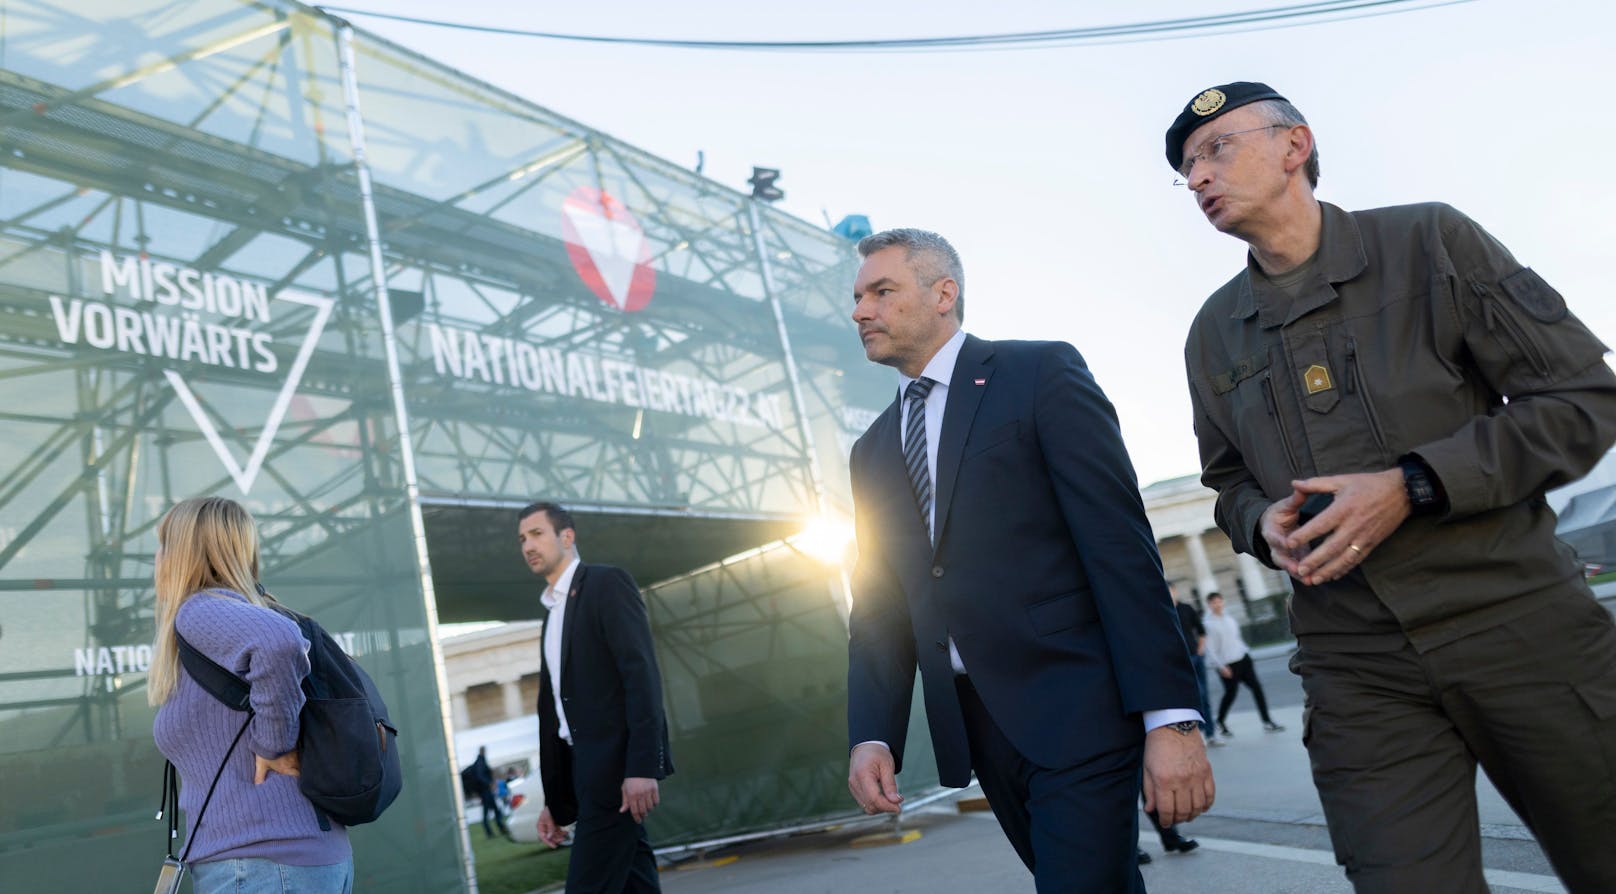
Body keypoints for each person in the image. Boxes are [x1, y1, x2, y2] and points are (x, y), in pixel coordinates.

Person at [1172, 81, 1616, 892]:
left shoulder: (1431, 242)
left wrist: (1415, 484)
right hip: (1356, 665)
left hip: (1518, 622)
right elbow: (1227, 481)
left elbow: (1582, 400)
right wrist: (1258, 519)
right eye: (1185, 169)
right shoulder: (1213, 330)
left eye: (1216, 150)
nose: (1197, 177)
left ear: (1294, 146)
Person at [844, 228, 1213, 892]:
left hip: (1078, 705)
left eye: (881, 291)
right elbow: (878, 608)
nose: (860, 310)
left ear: (943, 294)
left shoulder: (1038, 374)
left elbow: (1119, 548)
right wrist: (873, 735)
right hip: (977, 727)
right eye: (857, 297)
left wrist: (1171, 718)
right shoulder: (871, 450)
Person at [148, 496, 352, 893]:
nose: (156, 559)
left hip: (260, 864)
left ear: (184, 554)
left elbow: (279, 643)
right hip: (285, 859)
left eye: (163, 545)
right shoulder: (236, 614)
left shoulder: (200, 609)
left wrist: (273, 744)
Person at [522, 501, 672, 894]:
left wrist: (642, 767)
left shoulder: (606, 584)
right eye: (522, 539)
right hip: (584, 770)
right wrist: (556, 801)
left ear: (566, 537)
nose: (527, 545)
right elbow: (558, 711)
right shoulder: (552, 612)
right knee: (635, 882)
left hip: (615, 770)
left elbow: (640, 677)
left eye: (536, 534)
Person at [1200, 593, 1283, 737]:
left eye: (1220, 601)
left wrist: (1245, 652)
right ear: (1209, 605)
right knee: (1230, 694)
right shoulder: (1208, 624)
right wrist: (1220, 667)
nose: (1218, 604)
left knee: (1257, 689)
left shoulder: (1229, 618)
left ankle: (1267, 721)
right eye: (1214, 602)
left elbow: (1237, 638)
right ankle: (1220, 721)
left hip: (1243, 659)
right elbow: (1210, 649)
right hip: (1227, 664)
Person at [1171, 583, 1221, 746]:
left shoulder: (1186, 608)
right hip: (1181, 660)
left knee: (1204, 695)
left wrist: (1200, 650)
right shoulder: (1163, 611)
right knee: (1194, 695)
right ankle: (1197, 732)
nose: (1171, 594)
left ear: (1175, 591)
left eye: (1172, 591)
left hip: (1196, 656)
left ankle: (1210, 733)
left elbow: (1201, 631)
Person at [464, 746, 512, 840]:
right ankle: (497, 829)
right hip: (485, 791)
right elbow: (480, 776)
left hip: (484, 791)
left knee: (491, 812)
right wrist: (489, 783)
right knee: (492, 812)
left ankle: (495, 830)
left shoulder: (480, 761)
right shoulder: (480, 762)